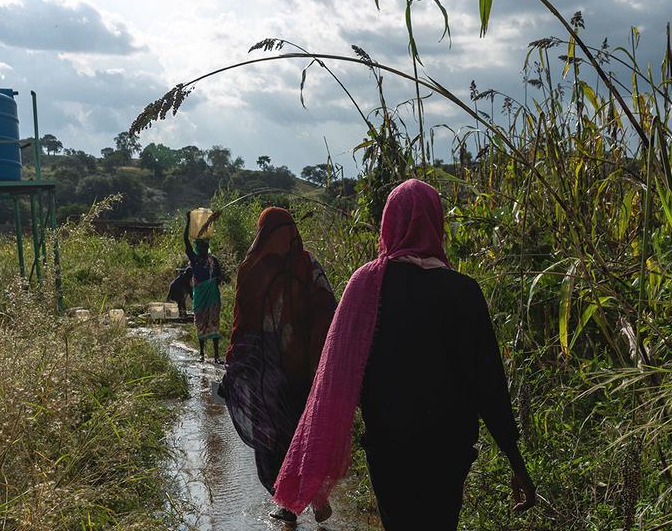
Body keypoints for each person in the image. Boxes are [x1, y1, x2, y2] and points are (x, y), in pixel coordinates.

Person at [273, 179, 536, 530]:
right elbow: (488, 384)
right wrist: (516, 462)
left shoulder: (366, 285)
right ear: (436, 223)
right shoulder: (463, 292)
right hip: (448, 452)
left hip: (389, 450)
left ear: (388, 223)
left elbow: (337, 378)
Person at [218, 207, 338, 523]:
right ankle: (311, 499)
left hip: (267, 373)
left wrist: (236, 359)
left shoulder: (252, 266)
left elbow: (241, 322)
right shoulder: (308, 265)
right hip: (298, 369)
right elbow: (329, 311)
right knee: (301, 435)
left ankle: (290, 502)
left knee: (271, 440)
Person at [184, 215, 225, 361]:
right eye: (200, 247)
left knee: (213, 324)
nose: (203, 248)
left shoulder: (213, 261)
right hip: (201, 296)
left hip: (212, 296)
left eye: (205, 246)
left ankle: (216, 355)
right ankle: (201, 354)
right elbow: (185, 241)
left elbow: (219, 278)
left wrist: (214, 281)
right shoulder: (194, 259)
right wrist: (188, 222)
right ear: (197, 248)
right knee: (200, 323)